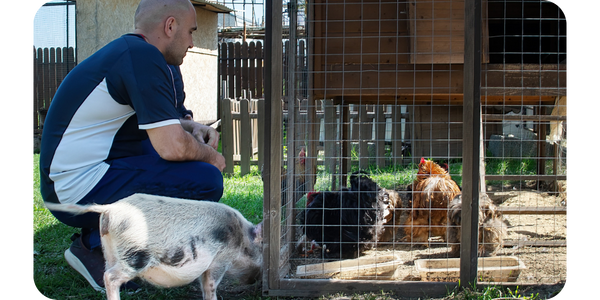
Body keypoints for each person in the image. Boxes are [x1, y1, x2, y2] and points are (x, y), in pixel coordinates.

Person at [39, 0, 226, 292]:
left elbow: (162, 125)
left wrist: (193, 127)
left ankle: (105, 242)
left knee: (188, 165)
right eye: (190, 31)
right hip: (74, 188)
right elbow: (172, 147)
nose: (191, 42)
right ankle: (95, 246)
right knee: (205, 179)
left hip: (79, 176)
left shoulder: (132, 52)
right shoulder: (143, 57)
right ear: (170, 26)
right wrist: (211, 156)